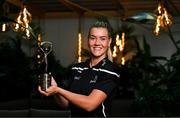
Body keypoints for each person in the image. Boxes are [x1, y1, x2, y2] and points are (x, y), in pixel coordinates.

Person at [38, 21, 121, 117]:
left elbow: (90, 104)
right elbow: (66, 104)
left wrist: (58, 90)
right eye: (93, 38)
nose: (97, 43)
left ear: (109, 41)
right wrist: (54, 90)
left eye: (102, 39)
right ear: (88, 40)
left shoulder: (110, 70)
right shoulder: (77, 68)